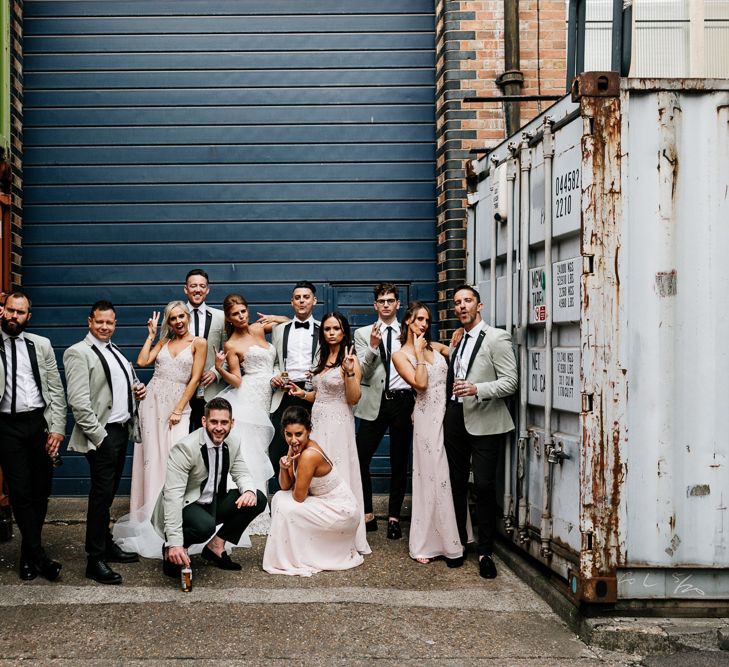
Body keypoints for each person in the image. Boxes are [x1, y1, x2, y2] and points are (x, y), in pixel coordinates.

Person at [111, 301, 206, 557]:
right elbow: (143, 361)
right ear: (169, 321)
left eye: (181, 317)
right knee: (151, 458)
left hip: (178, 404)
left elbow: (195, 378)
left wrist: (179, 408)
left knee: (175, 458)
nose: (178, 322)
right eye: (173, 318)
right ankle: (148, 518)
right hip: (152, 402)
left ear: (188, 317)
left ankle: (173, 520)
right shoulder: (163, 342)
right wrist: (152, 336)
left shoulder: (199, 343)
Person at [64, 300, 147, 584]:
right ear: (90, 321)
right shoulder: (78, 352)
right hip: (102, 435)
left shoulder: (115, 352)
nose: (104, 327)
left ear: (115, 324)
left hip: (121, 430)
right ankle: (94, 559)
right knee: (100, 498)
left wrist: (137, 390)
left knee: (108, 494)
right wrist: (99, 438)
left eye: (109, 322)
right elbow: (78, 402)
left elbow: (116, 388)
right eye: (99, 321)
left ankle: (106, 544)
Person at [444, 284, 518, 578]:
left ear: (480, 306)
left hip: (486, 419)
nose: (462, 306)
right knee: (456, 483)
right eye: (457, 302)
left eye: (467, 301)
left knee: (485, 486)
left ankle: (486, 551)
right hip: (455, 417)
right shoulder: (459, 340)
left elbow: (511, 382)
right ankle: (459, 544)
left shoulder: (497, 338)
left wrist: (477, 389)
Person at [151, 397, 267, 579]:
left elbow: (241, 471)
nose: (219, 427)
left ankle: (215, 547)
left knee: (258, 499)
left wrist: (249, 491)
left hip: (212, 500)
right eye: (214, 421)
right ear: (204, 421)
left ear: (232, 423)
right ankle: (171, 549)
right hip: (186, 504)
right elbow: (173, 496)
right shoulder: (185, 449)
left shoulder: (233, 441)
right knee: (205, 526)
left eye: (224, 422)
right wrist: (174, 543)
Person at [288, 312, 370, 555]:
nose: (331, 332)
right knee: (315, 476)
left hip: (339, 424)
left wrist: (350, 372)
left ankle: (343, 536)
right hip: (318, 422)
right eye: (327, 329)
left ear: (344, 331)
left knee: (339, 474)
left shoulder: (351, 359)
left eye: (336, 328)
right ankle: (318, 533)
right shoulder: (321, 356)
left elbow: (353, 398)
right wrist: (302, 394)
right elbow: (319, 394)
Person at [0, 291, 66, 581]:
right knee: (20, 491)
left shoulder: (41, 345)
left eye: (20, 312)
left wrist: (58, 428)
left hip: (37, 424)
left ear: (29, 316)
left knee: (41, 490)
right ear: (3, 311)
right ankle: (39, 556)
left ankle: (29, 555)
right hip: (6, 426)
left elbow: (55, 389)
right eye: (10, 311)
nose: (14, 317)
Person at [391, 302, 463, 565]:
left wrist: (458, 336)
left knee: (447, 475)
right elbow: (420, 384)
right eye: (419, 319)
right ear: (408, 322)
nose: (424, 324)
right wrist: (420, 356)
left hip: (446, 416)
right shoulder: (400, 355)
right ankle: (428, 543)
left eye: (427, 320)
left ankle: (454, 538)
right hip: (425, 419)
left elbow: (456, 352)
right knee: (432, 476)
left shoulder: (436, 347)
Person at [213, 293, 285, 535]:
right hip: (251, 395)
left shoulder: (258, 328)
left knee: (263, 447)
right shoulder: (231, 344)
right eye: (235, 314)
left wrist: (275, 316)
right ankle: (250, 509)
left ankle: (257, 503)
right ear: (229, 319)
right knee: (253, 449)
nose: (241, 316)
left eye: (243, 311)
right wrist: (218, 368)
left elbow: (288, 323)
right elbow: (236, 380)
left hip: (271, 391)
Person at [263, 406, 364, 576]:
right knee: (279, 498)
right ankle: (291, 554)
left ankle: (295, 557)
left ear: (309, 431)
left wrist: (294, 469)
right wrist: (283, 468)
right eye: (289, 434)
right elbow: (285, 486)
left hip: (341, 511)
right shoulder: (295, 448)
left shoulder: (309, 455)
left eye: (298, 434)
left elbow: (298, 497)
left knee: (286, 506)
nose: (293, 440)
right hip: (324, 503)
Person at [354, 283, 414, 539]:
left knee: (399, 461)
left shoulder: (409, 331)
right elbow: (362, 373)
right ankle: (367, 513)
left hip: (402, 402)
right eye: (382, 300)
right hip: (374, 403)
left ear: (398, 304)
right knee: (360, 458)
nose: (387, 304)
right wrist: (373, 346)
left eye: (391, 300)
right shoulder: (362, 333)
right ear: (375, 305)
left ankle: (393, 518)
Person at [268, 281, 320, 478]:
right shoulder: (279, 329)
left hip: (312, 393)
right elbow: (274, 361)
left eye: (306, 297)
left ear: (314, 300)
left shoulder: (323, 328)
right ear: (292, 302)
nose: (301, 301)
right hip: (285, 390)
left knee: (311, 441)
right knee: (279, 444)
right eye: (297, 298)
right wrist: (275, 376)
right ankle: (280, 491)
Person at [183, 269, 226, 431]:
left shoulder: (221, 317)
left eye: (202, 286)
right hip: (181, 388)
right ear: (186, 289)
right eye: (193, 286)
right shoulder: (176, 316)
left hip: (210, 390)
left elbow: (230, 352)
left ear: (207, 290)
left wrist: (216, 372)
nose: (198, 289)